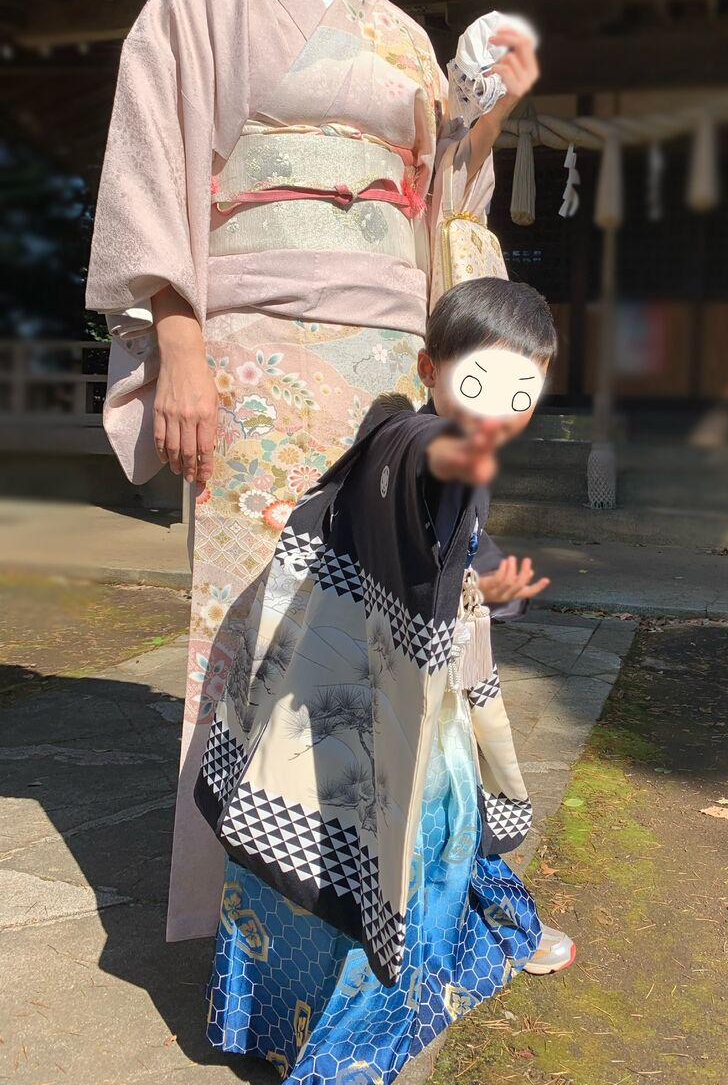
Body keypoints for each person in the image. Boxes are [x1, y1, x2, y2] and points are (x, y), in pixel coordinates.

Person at [83, 0, 546, 943]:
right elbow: (152, 168)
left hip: (387, 369)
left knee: (403, 616)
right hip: (254, 362)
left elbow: (443, 212)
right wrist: (178, 343)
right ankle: (257, 921)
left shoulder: (404, 38)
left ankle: (413, 900)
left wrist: (486, 116)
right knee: (262, 624)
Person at [194, 278, 574, 1084]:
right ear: (430, 368)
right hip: (395, 699)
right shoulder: (425, 443)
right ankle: (351, 1049)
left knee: (329, 841)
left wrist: (488, 580)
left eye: (522, 391)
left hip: (337, 691)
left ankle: (264, 1016)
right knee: (415, 846)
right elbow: (429, 470)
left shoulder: (396, 436)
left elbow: (421, 530)